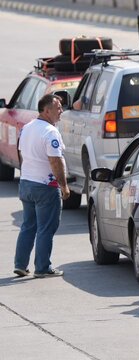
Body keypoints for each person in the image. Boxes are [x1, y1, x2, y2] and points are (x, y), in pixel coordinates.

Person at [14, 94, 70, 278]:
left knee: (28, 225)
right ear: (47, 111)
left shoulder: (27, 128)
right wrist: (64, 185)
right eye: (58, 107)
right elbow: (55, 161)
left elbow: (22, 154)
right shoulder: (50, 131)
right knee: (46, 227)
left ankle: (21, 264)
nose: (61, 110)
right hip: (45, 186)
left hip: (27, 183)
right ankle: (42, 267)